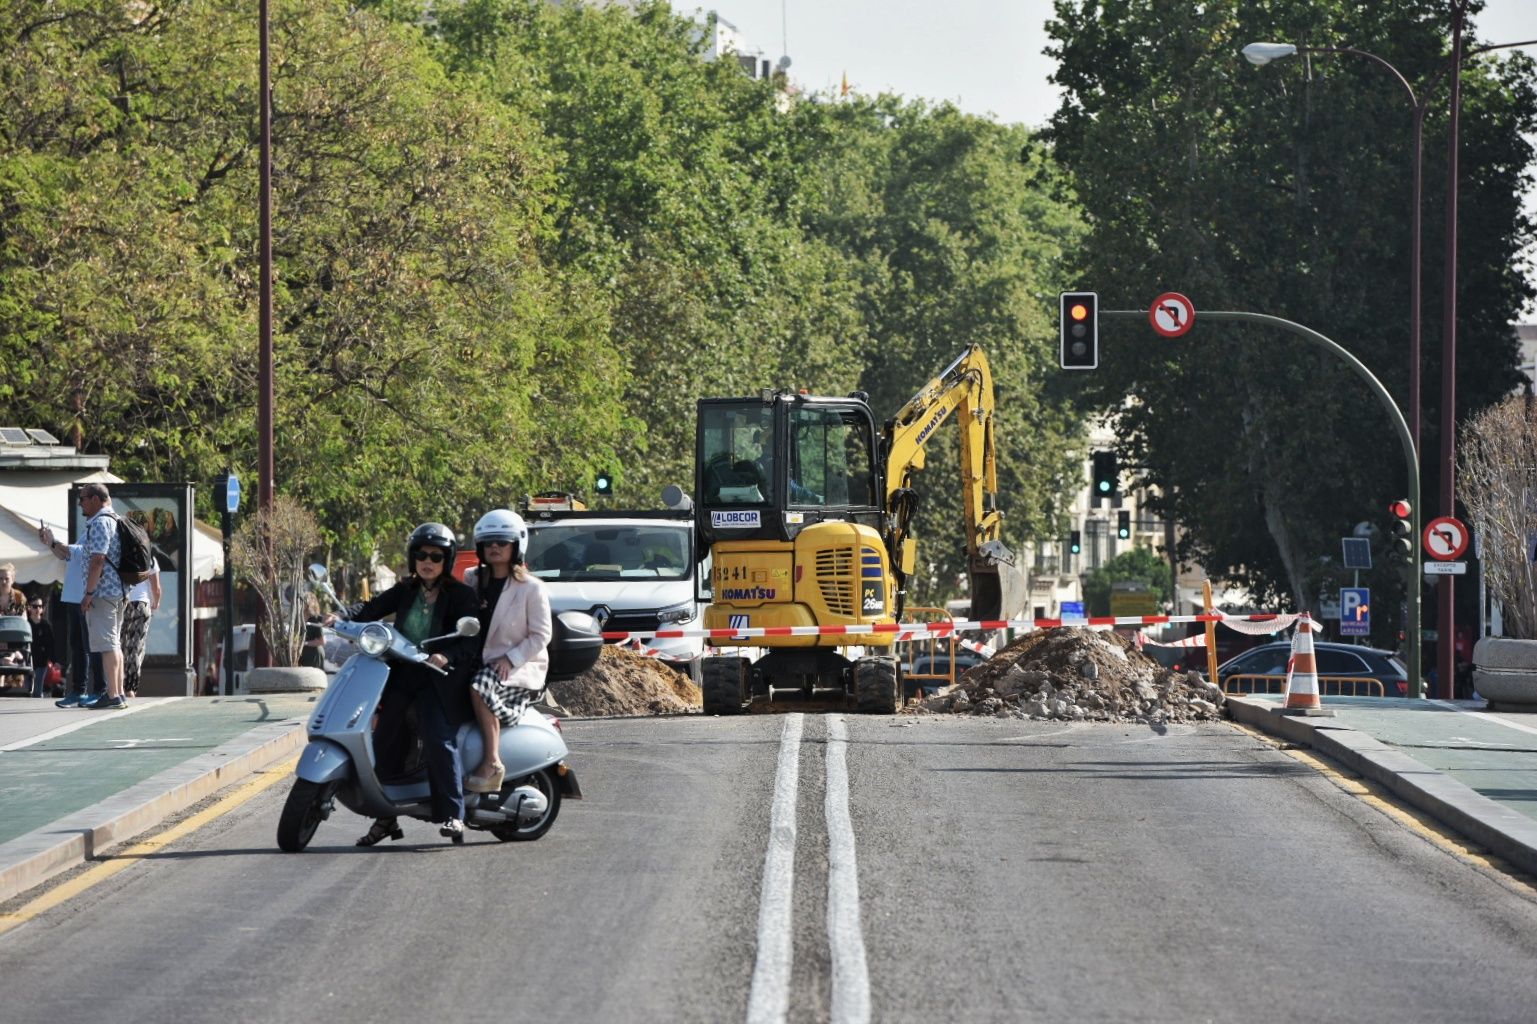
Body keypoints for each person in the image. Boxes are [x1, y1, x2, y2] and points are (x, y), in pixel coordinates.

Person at [328, 522, 478, 845]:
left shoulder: (461, 596)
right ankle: (386, 817)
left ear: (447, 560)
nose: (428, 561)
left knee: (438, 737)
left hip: (437, 680)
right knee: (383, 739)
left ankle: (455, 814)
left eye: (436, 556)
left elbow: (470, 644)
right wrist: (339, 619)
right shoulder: (406, 590)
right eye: (421, 555)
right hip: (401, 675)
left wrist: (445, 657)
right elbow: (371, 609)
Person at [463, 509, 552, 794]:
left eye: (502, 541)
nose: (495, 547)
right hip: (475, 659)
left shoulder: (531, 588)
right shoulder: (471, 580)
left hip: (517, 666)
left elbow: (541, 636)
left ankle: (492, 762)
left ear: (516, 545)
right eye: (488, 542)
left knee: (478, 687)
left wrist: (510, 658)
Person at [73, 484, 129, 710]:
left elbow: (98, 560)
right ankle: (120, 692)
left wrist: (88, 593)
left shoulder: (99, 523)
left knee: (108, 644)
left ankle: (113, 694)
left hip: (103, 592)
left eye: (83, 499)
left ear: (95, 499)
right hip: (119, 590)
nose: (81, 504)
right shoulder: (116, 518)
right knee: (114, 642)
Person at [38, 523, 103, 707]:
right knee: (78, 644)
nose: (81, 504)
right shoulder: (87, 530)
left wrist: (54, 541)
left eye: (84, 500)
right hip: (75, 597)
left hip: (85, 597)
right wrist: (50, 544)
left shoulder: (98, 530)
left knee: (92, 646)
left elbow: (72, 551)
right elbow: (64, 554)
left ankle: (99, 691)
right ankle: (79, 691)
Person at [121, 558, 161, 698]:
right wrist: (156, 603)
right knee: (136, 648)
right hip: (142, 605)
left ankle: (117, 685)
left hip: (123, 603)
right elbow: (156, 588)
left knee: (120, 646)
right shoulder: (149, 558)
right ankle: (130, 688)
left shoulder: (123, 553)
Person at [26, 597, 55, 698]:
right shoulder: (26, 624)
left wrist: (53, 660)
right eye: (34, 606)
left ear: (43, 609)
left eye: (40, 606)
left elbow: (51, 644)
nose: (37, 609)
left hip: (42, 661)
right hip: (27, 661)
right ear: (29, 608)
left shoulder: (46, 625)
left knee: (37, 692)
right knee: (27, 691)